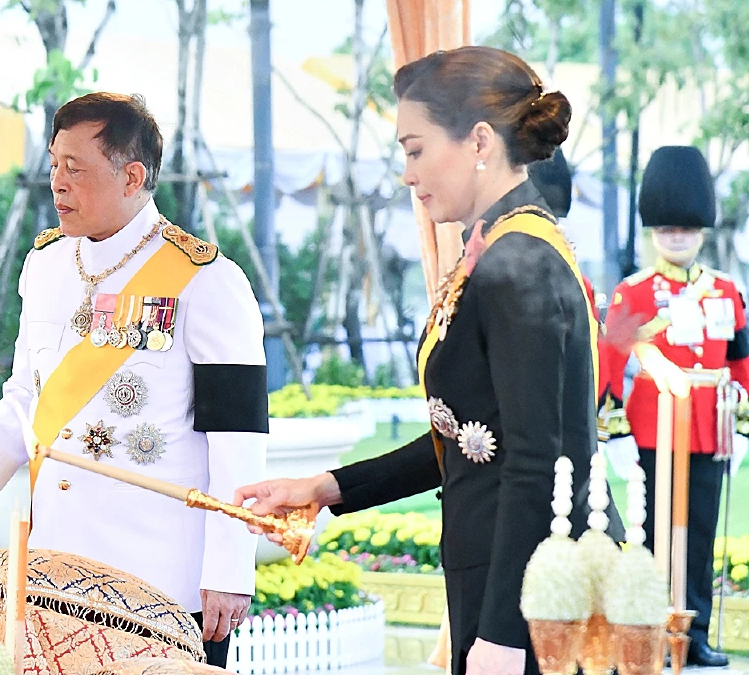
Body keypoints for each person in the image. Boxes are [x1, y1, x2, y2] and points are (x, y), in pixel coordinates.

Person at [233, 46, 622, 675]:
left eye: (415, 150)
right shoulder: (498, 249)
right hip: (501, 572)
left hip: (530, 597)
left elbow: (537, 462)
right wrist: (327, 489)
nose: (408, 174)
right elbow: (473, 436)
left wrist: (502, 638)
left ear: (478, 141)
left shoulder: (519, 264)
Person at [0, 92, 267, 666]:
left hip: (159, 577)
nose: (57, 183)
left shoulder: (206, 280)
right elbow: (27, 397)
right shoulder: (45, 263)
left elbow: (238, 439)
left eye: (77, 169)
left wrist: (229, 568)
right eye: (53, 165)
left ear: (132, 176)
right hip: (55, 565)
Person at [602, 146, 747, 668]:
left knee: (701, 536)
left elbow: (741, 363)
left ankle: (697, 633)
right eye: (667, 229)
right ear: (653, 232)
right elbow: (608, 366)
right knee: (654, 536)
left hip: (710, 430)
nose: (677, 236)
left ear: (701, 229)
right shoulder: (633, 294)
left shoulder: (728, 293)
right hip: (650, 429)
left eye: (685, 228)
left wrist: (743, 423)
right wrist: (611, 430)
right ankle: (654, 633)